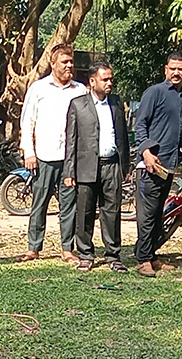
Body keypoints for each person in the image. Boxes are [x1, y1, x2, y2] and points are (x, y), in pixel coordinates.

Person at [18, 43, 86, 264]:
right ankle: (34, 247)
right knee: (40, 203)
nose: (69, 66)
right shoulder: (39, 88)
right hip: (44, 156)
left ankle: (67, 248)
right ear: (53, 63)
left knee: (69, 205)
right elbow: (27, 121)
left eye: (71, 62)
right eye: (64, 62)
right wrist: (29, 152)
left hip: (70, 159)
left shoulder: (80, 90)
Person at [63, 62, 131, 273]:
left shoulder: (117, 103)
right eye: (105, 79)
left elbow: (123, 137)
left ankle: (113, 255)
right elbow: (71, 140)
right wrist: (69, 171)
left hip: (112, 166)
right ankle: (85, 254)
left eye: (111, 79)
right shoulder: (78, 104)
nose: (109, 83)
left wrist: (124, 167)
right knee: (84, 211)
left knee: (112, 211)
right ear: (92, 82)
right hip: (86, 166)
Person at [133, 51, 182, 277]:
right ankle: (142, 260)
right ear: (165, 69)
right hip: (150, 165)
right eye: (173, 68)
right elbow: (140, 125)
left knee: (159, 213)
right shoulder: (154, 93)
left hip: (169, 166)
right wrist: (146, 152)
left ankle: (151, 255)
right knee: (147, 215)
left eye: (181, 69)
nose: (177, 72)